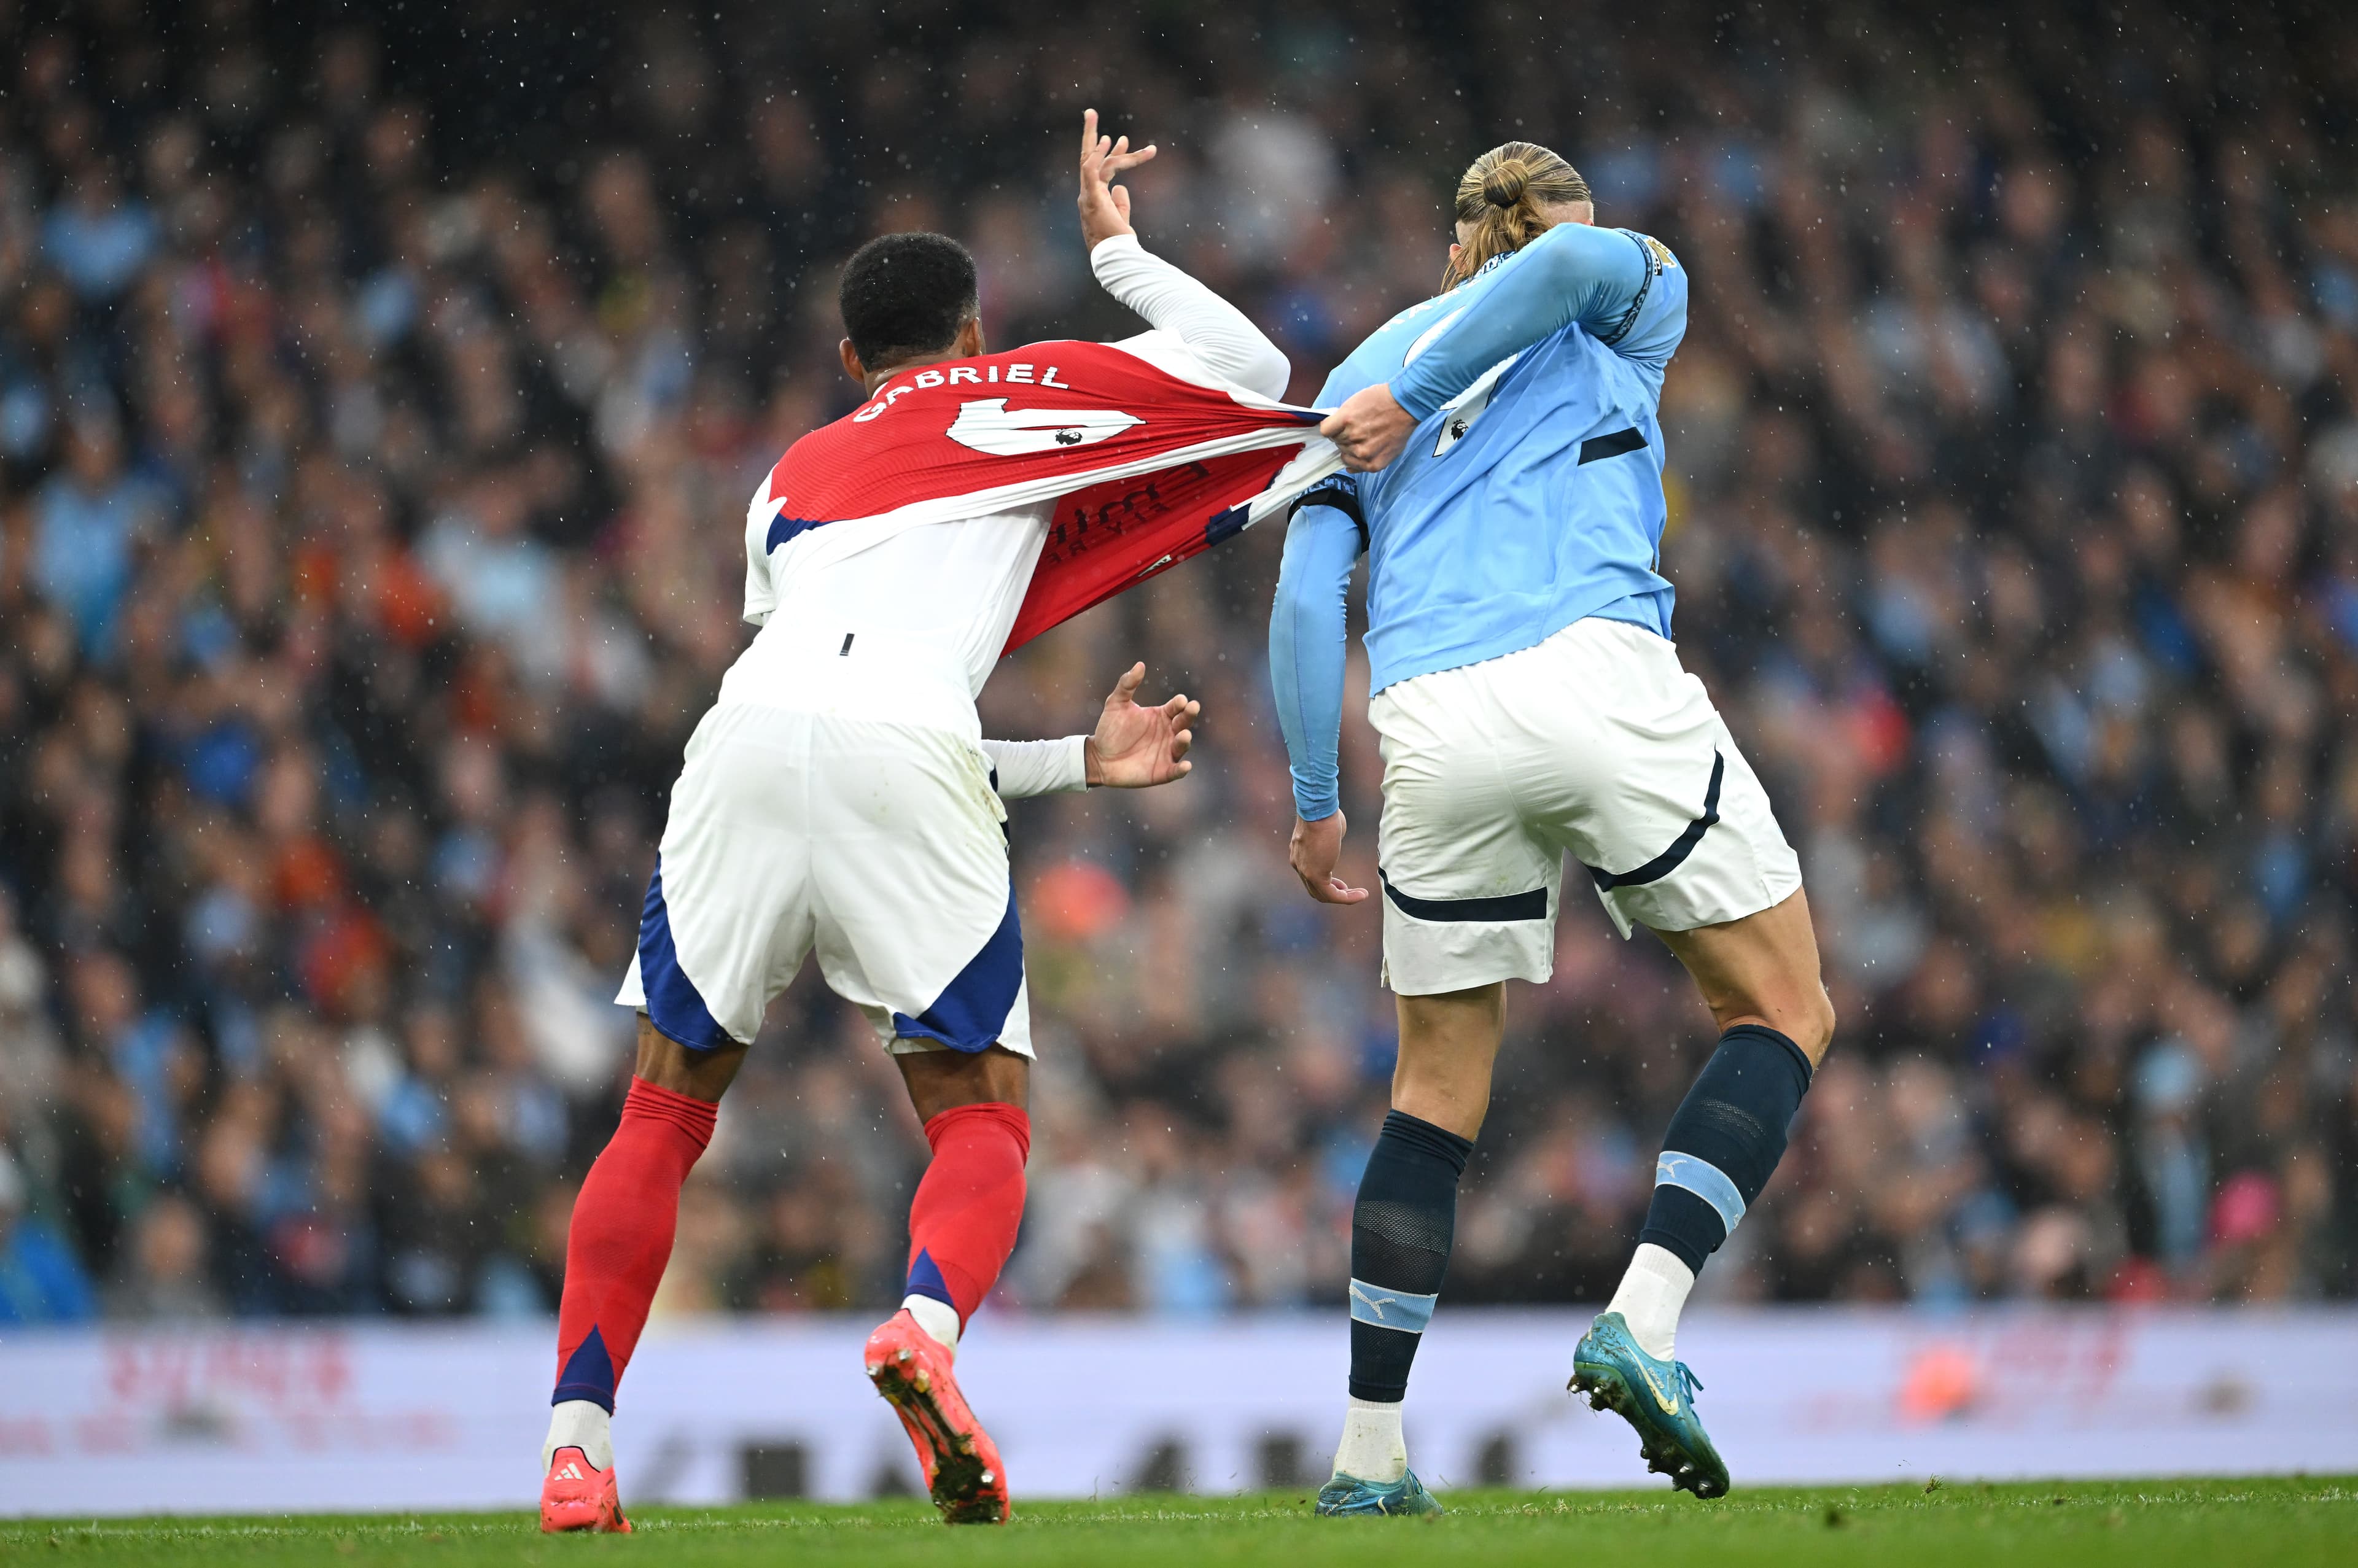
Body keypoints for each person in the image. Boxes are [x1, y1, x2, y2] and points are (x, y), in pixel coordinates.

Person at [539, 112, 1296, 1532]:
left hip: (742, 741)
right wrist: (1120, 251)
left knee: (662, 1104)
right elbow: (1255, 377)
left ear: (848, 363)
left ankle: (576, 1447)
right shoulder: (1027, 390)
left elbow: (831, 719)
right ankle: (925, 1336)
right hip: (910, 744)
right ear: (974, 331)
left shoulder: (788, 481)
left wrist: (1075, 756)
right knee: (980, 1114)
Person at [1270, 142, 1836, 1513]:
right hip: (1595, 669)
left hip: (1430, 718)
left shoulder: (1362, 380)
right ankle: (1643, 1314)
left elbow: (1302, 603)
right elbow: (1581, 265)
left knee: (1435, 1089)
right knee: (1781, 1005)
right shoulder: (1619, 301)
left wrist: (1313, 801)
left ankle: (1367, 1450)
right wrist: (1418, 394)